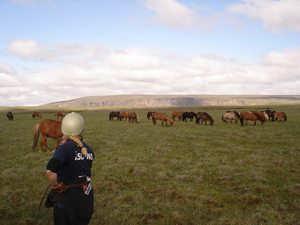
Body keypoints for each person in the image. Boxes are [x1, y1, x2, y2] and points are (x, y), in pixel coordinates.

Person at [46, 112, 94, 225]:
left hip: (66, 201)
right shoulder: (88, 150)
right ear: (82, 130)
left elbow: (50, 171)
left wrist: (55, 185)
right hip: (85, 197)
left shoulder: (64, 149)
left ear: (63, 130)